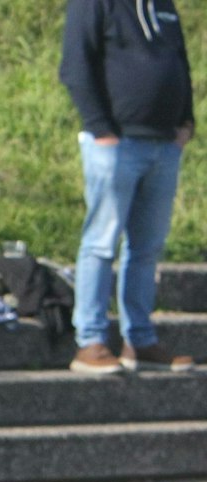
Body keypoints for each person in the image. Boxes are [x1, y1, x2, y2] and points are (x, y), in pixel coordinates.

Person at [59, 0, 195, 375]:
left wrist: (186, 122)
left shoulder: (163, 5)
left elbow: (180, 62)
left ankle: (140, 339)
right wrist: (100, 129)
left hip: (164, 145)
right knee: (101, 244)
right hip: (115, 144)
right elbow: (75, 67)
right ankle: (90, 341)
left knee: (147, 247)